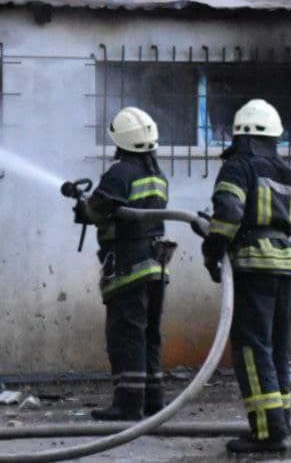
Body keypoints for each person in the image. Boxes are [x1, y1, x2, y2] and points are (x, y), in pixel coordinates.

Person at [201, 99, 291, 454]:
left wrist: (213, 248)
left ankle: (266, 432)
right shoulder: (289, 174)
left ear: (240, 135)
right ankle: (281, 421)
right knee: (276, 346)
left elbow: (229, 212)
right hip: (285, 262)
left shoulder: (237, 166)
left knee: (251, 347)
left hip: (253, 263)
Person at [74, 106, 174, 421]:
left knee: (125, 335)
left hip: (129, 265)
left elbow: (99, 208)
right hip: (156, 265)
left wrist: (82, 207)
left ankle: (128, 404)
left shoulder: (120, 173)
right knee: (149, 334)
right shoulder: (157, 175)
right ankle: (153, 400)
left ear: (120, 141)